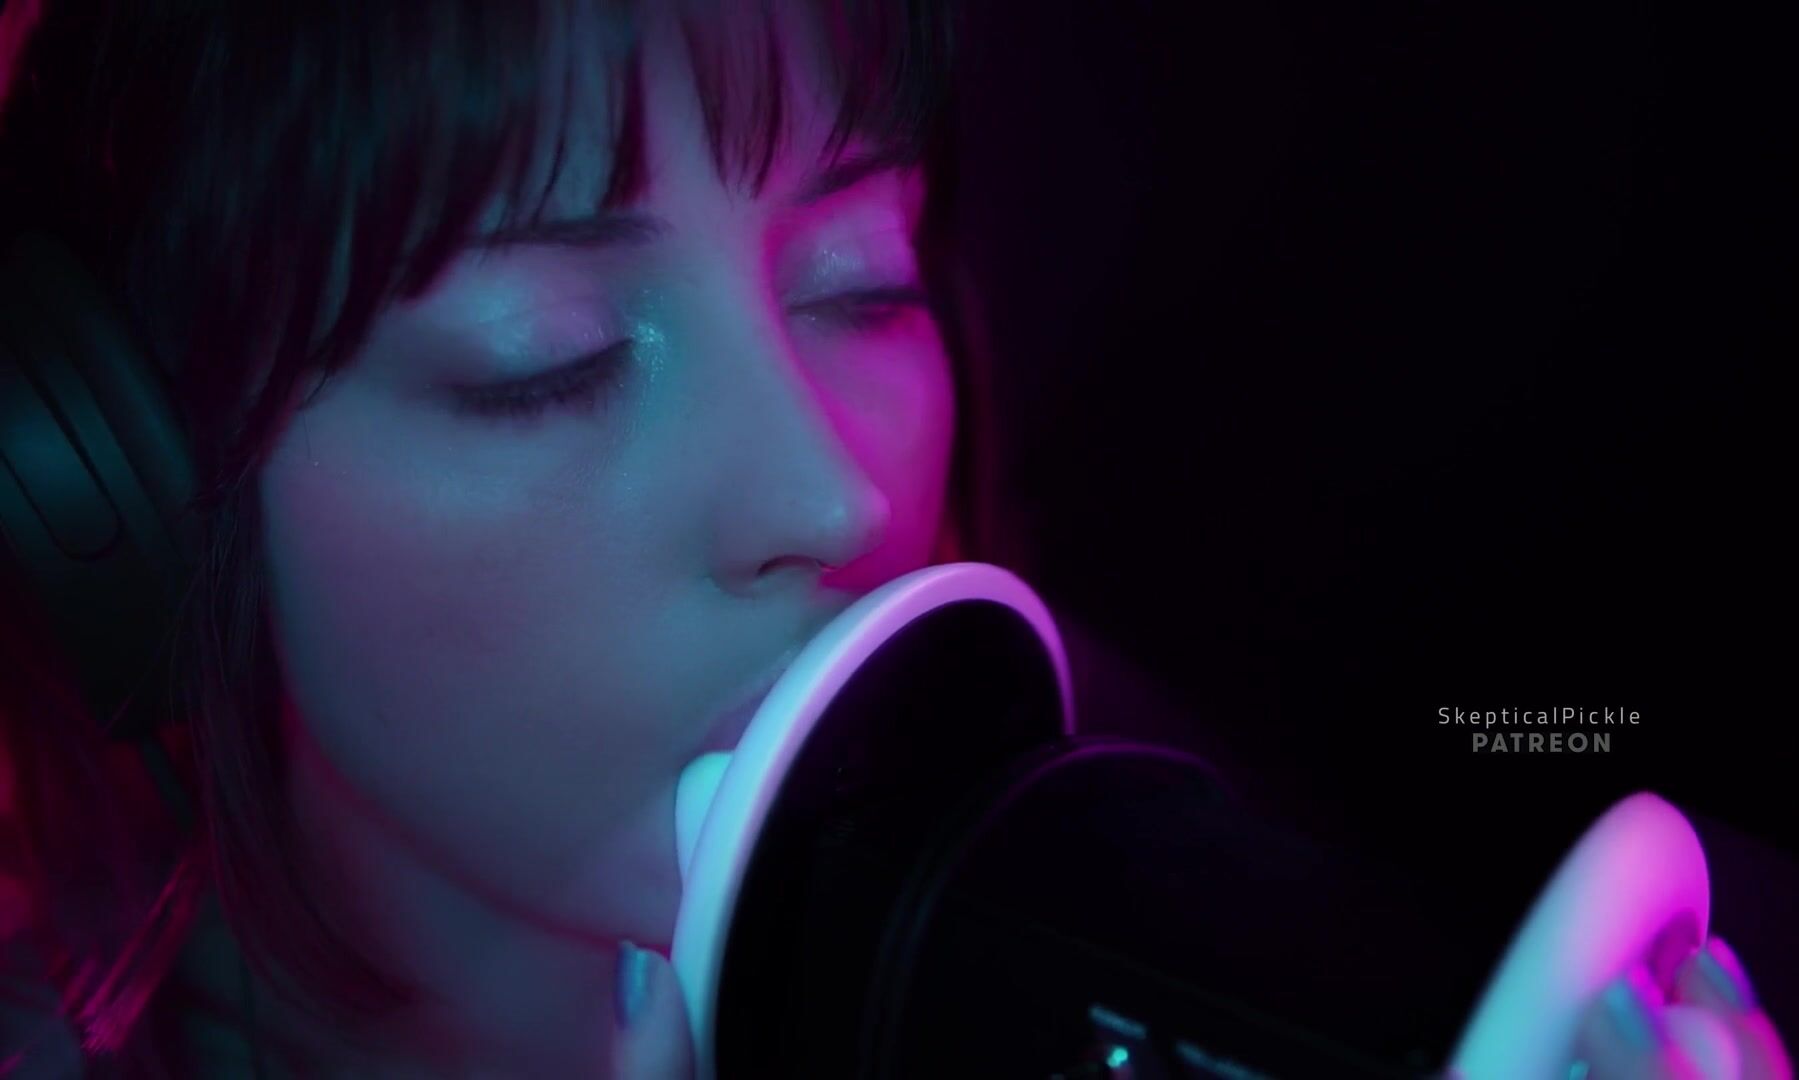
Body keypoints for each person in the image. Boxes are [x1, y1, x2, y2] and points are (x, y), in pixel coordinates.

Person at [0, 1, 1789, 1077]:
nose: (838, 501)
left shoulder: (1133, 896)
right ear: (129, 499)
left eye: (860, 283)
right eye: (551, 358)